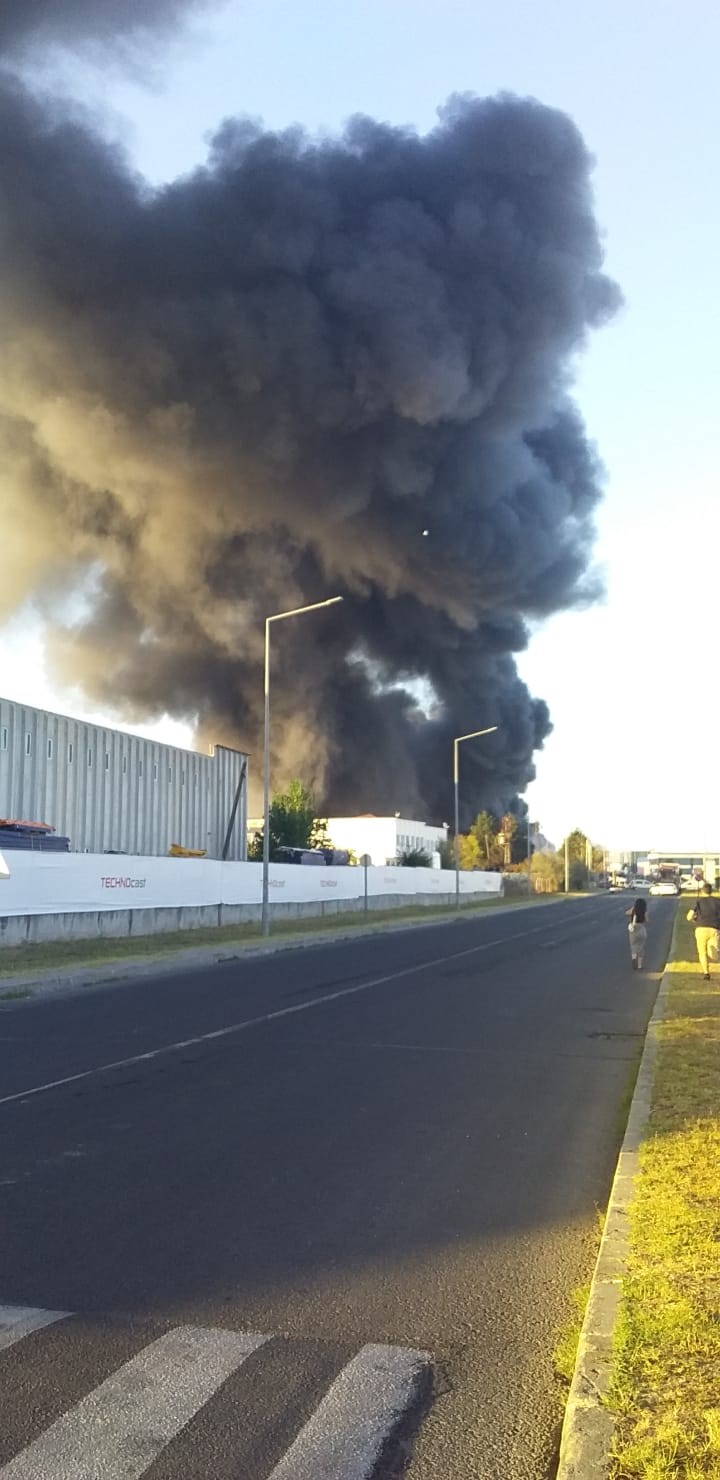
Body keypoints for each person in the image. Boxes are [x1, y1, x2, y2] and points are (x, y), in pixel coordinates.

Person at [687, 882, 720, 980]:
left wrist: (694, 920)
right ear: (711, 891)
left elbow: (689, 916)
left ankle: (706, 973)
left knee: (702, 952)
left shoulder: (698, 902)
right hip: (714, 928)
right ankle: (715, 955)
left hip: (701, 928)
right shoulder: (718, 901)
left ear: (702, 891)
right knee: (714, 952)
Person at [626, 895, 648, 970]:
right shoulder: (644, 911)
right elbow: (646, 920)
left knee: (633, 945)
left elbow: (627, 913)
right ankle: (640, 965)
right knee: (641, 947)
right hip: (641, 928)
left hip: (634, 929)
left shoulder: (633, 910)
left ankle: (634, 957)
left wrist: (633, 908)